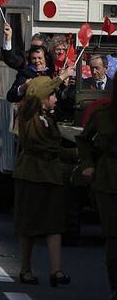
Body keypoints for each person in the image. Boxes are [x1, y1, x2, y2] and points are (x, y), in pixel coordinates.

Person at [13, 75, 74, 288]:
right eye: (52, 95)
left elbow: (56, 150)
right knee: (28, 224)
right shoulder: (27, 113)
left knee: (54, 223)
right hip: (31, 173)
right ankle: (25, 269)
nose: (56, 100)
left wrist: (79, 153)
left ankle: (56, 270)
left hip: (51, 173)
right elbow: (36, 93)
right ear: (41, 97)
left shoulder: (49, 118)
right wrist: (61, 77)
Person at [78, 87, 117, 299]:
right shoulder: (102, 115)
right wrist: (87, 164)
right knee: (112, 237)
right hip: (108, 181)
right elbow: (83, 140)